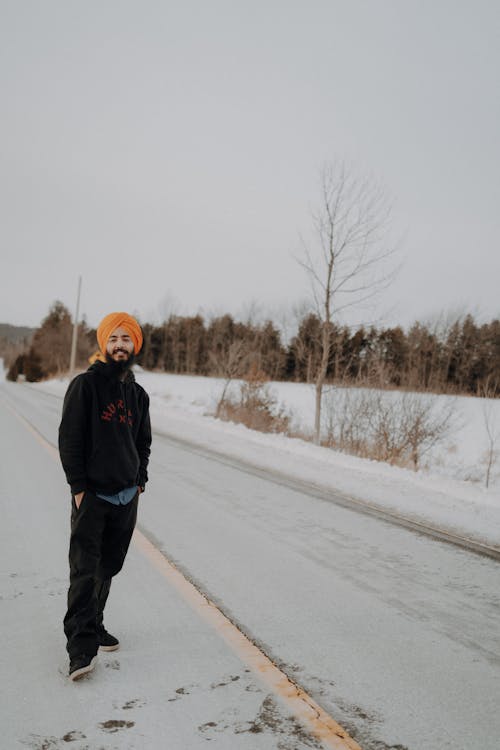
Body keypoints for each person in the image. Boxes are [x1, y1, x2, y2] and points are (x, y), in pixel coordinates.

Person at [58, 312, 152, 681]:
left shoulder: (138, 395)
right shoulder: (85, 386)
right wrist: (79, 488)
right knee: (84, 571)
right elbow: (70, 440)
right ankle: (80, 649)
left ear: (134, 347)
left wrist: (140, 480)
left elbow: (143, 442)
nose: (119, 345)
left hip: (126, 496)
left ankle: (95, 624)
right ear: (103, 345)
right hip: (93, 496)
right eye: (113, 339)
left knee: (108, 566)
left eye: (125, 339)